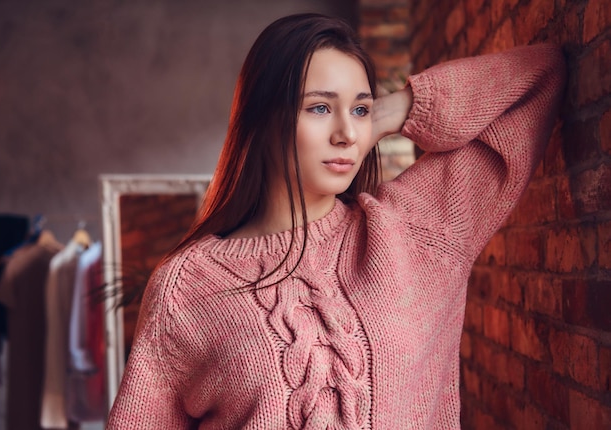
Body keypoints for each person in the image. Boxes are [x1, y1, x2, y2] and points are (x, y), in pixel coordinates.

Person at [107, 13, 566, 429]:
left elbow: (538, 78)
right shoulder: (186, 288)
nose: (346, 133)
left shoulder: (415, 230)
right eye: (320, 107)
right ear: (263, 119)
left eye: (359, 110)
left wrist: (392, 111)